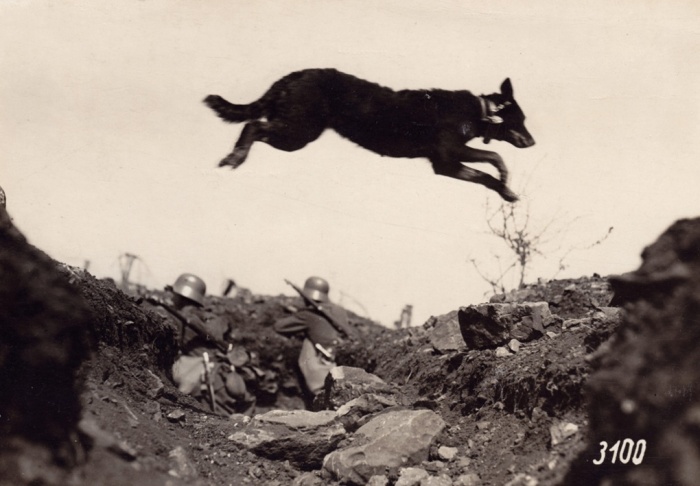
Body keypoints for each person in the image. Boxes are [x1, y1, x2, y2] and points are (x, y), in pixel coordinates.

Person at [144, 273, 255, 415]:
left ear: (181, 295)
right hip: (217, 376)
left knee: (220, 421)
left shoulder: (184, 318)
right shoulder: (206, 316)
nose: (172, 297)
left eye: (174, 293)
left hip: (209, 378)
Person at [274, 276, 355, 399]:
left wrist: (299, 315)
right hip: (340, 354)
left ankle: (319, 390)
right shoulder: (339, 310)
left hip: (324, 362)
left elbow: (279, 327)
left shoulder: (308, 314)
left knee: (307, 343)